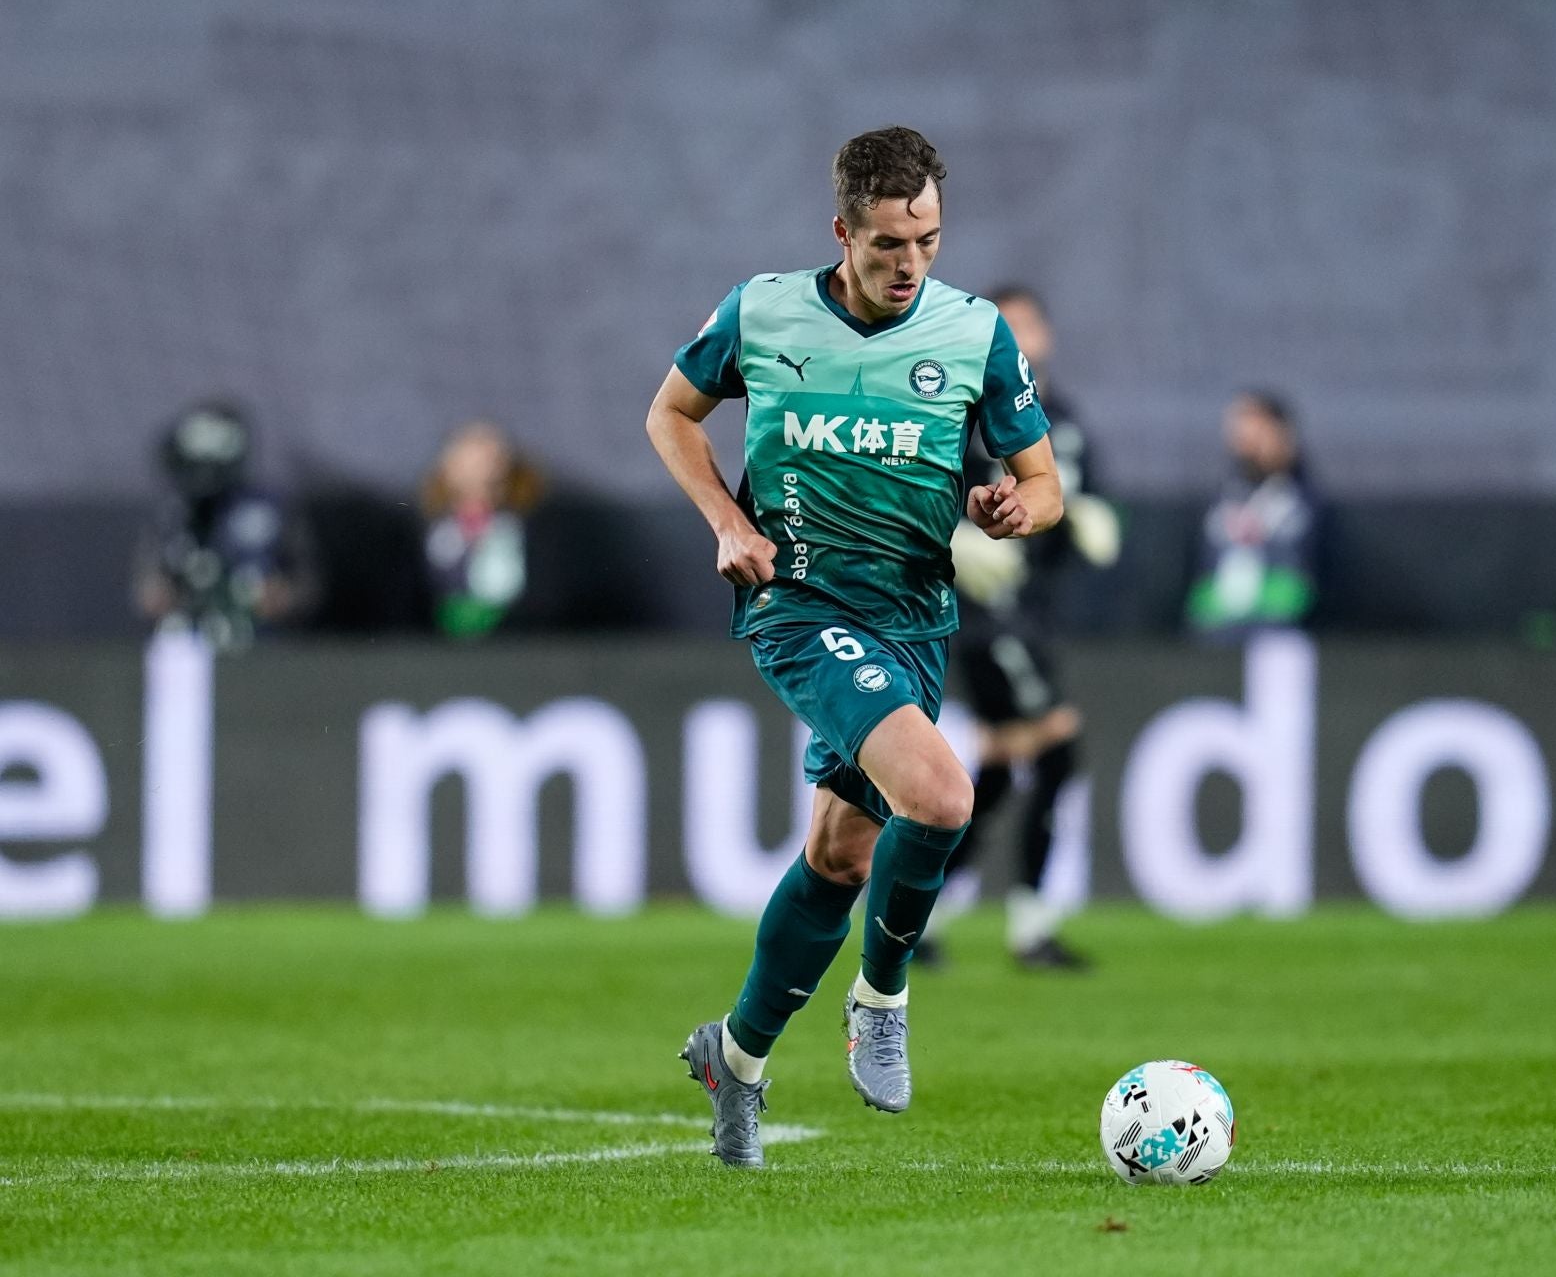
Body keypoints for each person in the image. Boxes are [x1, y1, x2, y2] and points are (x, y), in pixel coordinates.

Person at [645, 126, 1061, 1168]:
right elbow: (671, 415)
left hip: (915, 616)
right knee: (943, 793)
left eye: (926, 237)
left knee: (841, 852)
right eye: (887, 243)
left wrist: (1014, 507)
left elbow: (1044, 481)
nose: (909, 262)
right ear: (842, 230)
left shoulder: (974, 333)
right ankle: (881, 996)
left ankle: (732, 1059)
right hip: (799, 599)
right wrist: (729, 525)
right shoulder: (764, 308)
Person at [925, 286, 1121, 972]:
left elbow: (1070, 499)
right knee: (1058, 752)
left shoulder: (1059, 419)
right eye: (1003, 326)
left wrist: (1086, 521)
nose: (1018, 336)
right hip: (985, 612)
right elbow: (920, 485)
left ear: (1046, 336)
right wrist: (950, 538)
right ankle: (1031, 928)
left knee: (1002, 773)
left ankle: (922, 920)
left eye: (1027, 324)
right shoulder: (960, 410)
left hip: (1033, 610)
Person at [132, 399, 319, 652]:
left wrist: (279, 597)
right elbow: (148, 591)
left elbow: (307, 585)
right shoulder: (172, 514)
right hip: (186, 651)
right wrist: (162, 594)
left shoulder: (271, 511)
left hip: (261, 652)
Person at [1185, 391, 1318, 637]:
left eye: (1258, 433)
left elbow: (1306, 582)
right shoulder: (1223, 497)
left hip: (1279, 633)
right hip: (1217, 633)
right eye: (1241, 434)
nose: (1247, 442)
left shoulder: (1303, 501)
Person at [417, 419, 547, 639]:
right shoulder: (430, 526)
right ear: (448, 466)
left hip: (518, 639)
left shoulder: (530, 526)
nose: (482, 467)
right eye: (470, 458)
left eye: (490, 458)